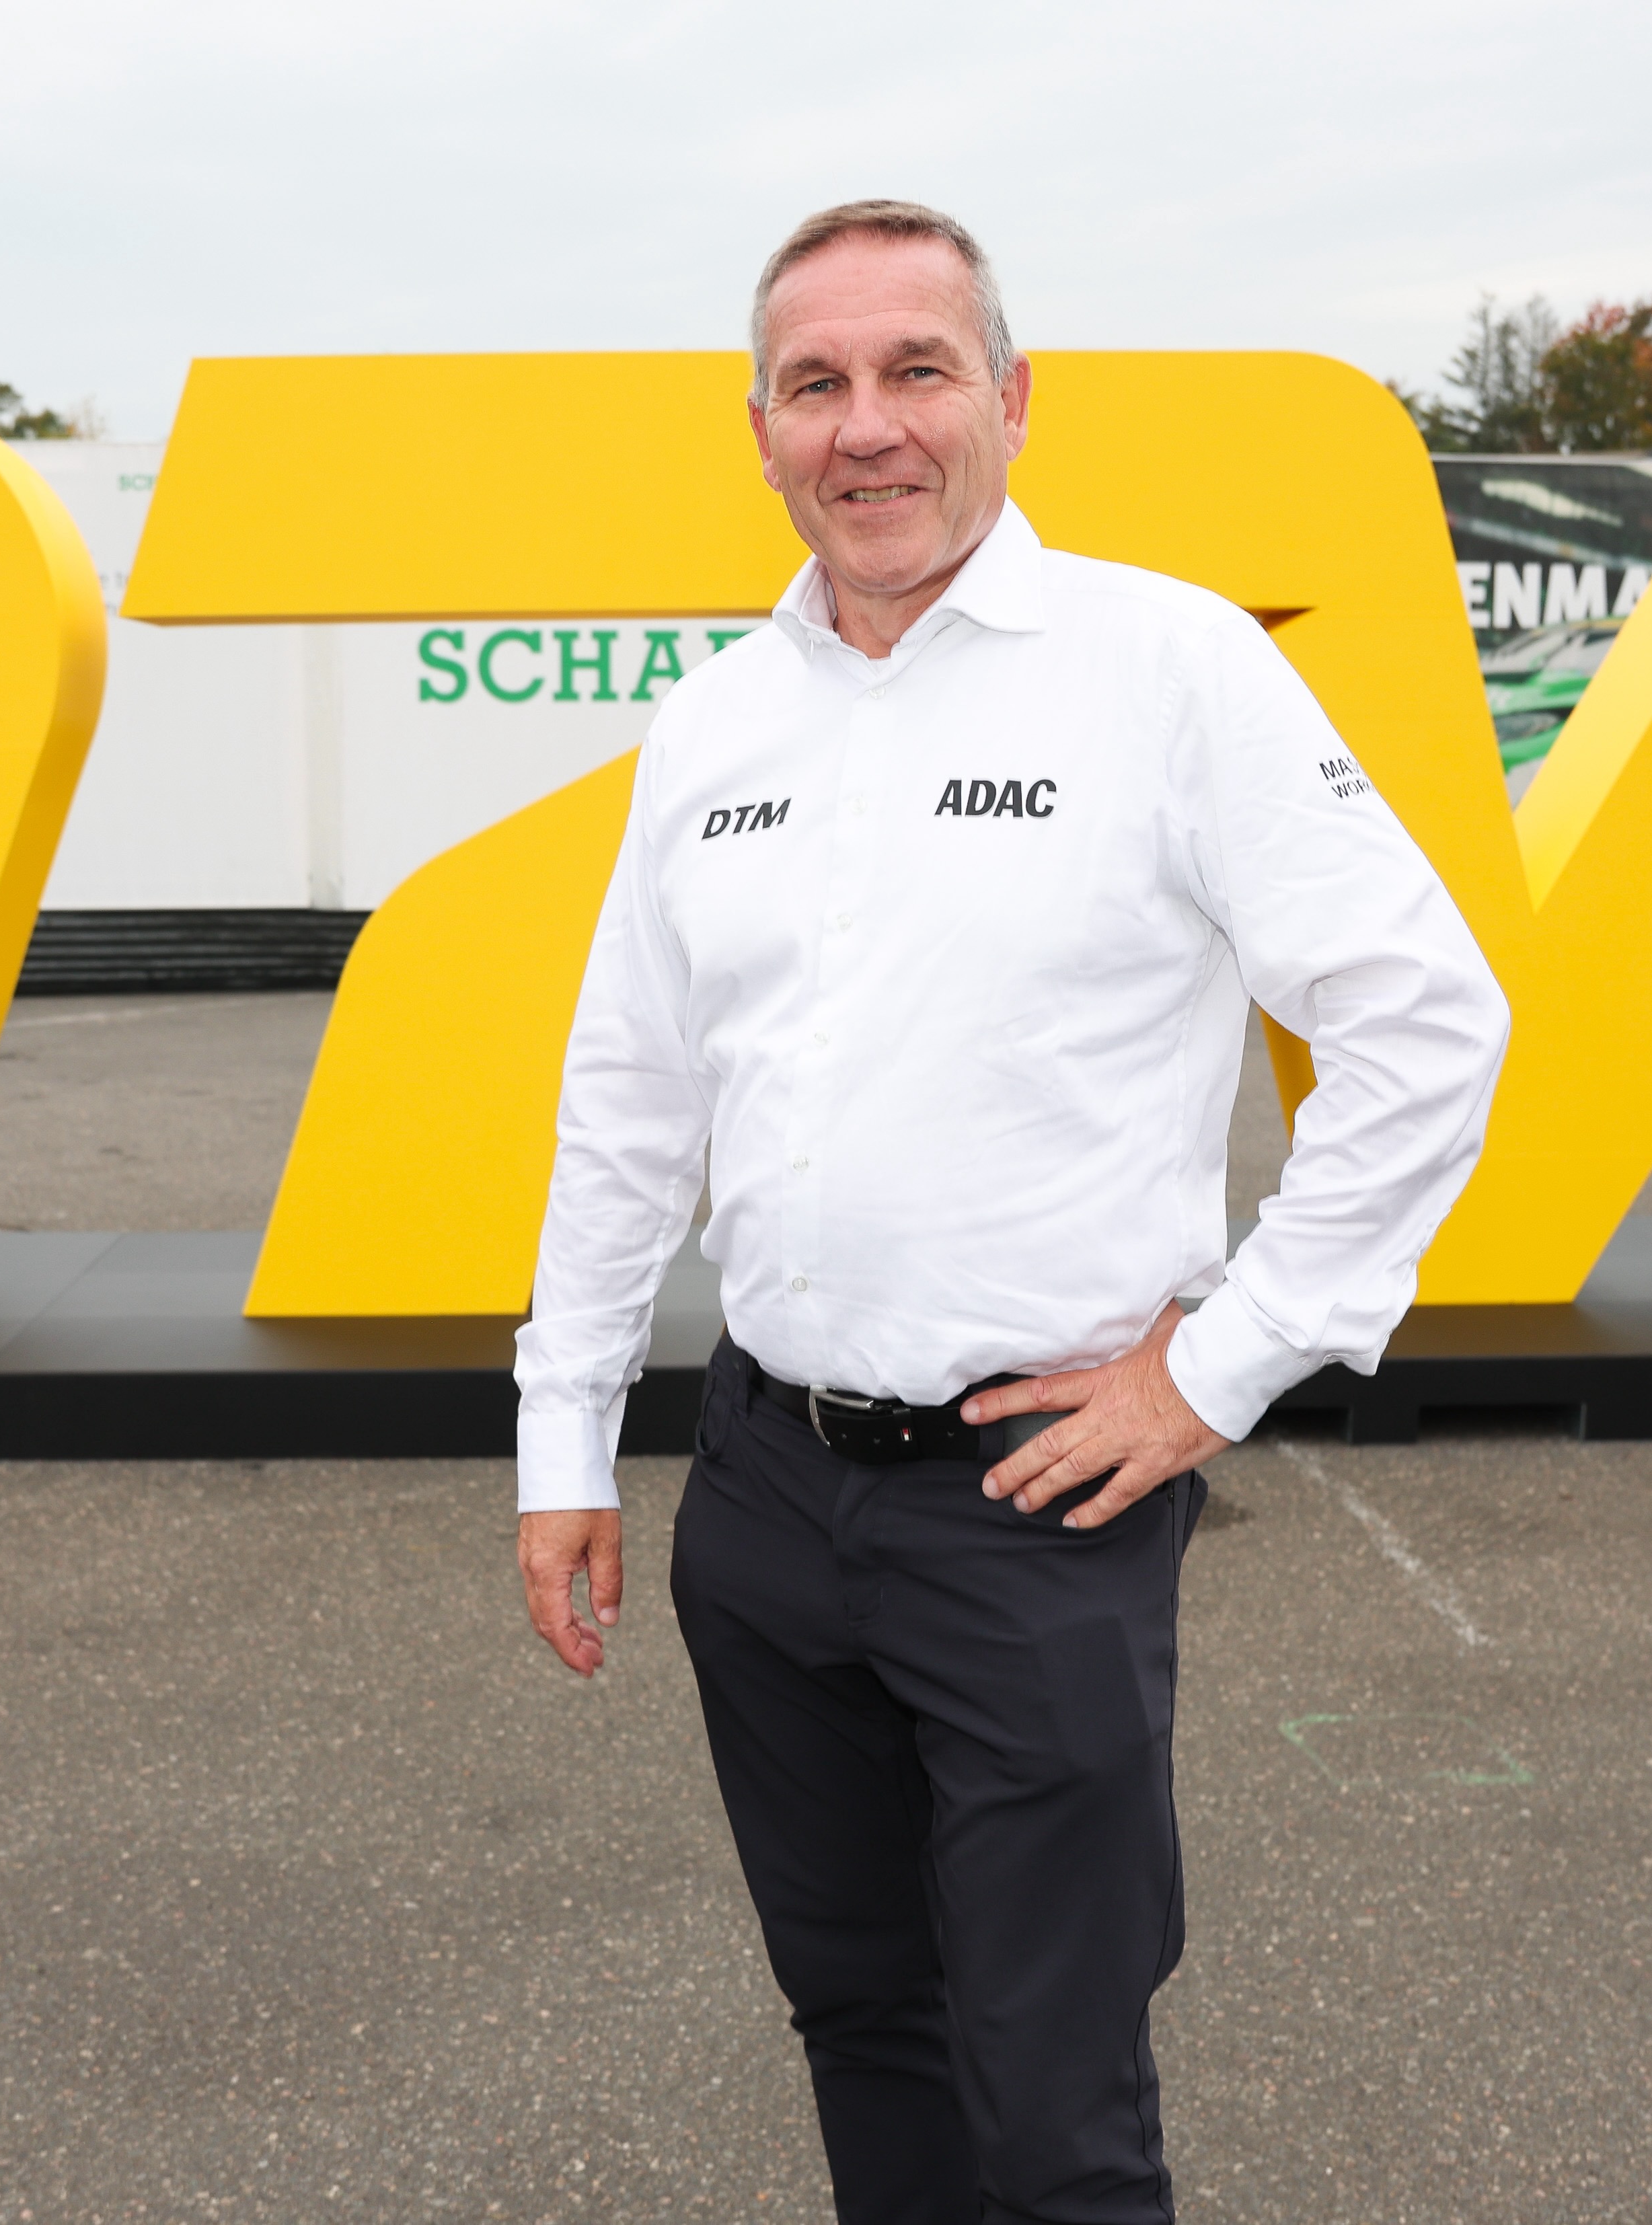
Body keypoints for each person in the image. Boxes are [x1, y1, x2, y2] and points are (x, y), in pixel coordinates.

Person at [509, 200, 1511, 2224]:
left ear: (1010, 399)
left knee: (1053, 2101)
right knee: (860, 2020)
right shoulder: (714, 721)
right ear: (762, 431)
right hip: (764, 1494)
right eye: (815, 384)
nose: (865, 425)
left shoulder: (1167, 668)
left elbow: (1424, 1022)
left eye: (916, 369)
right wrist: (564, 1439)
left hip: (1032, 1497)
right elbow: (628, 1100)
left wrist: (1216, 1367)